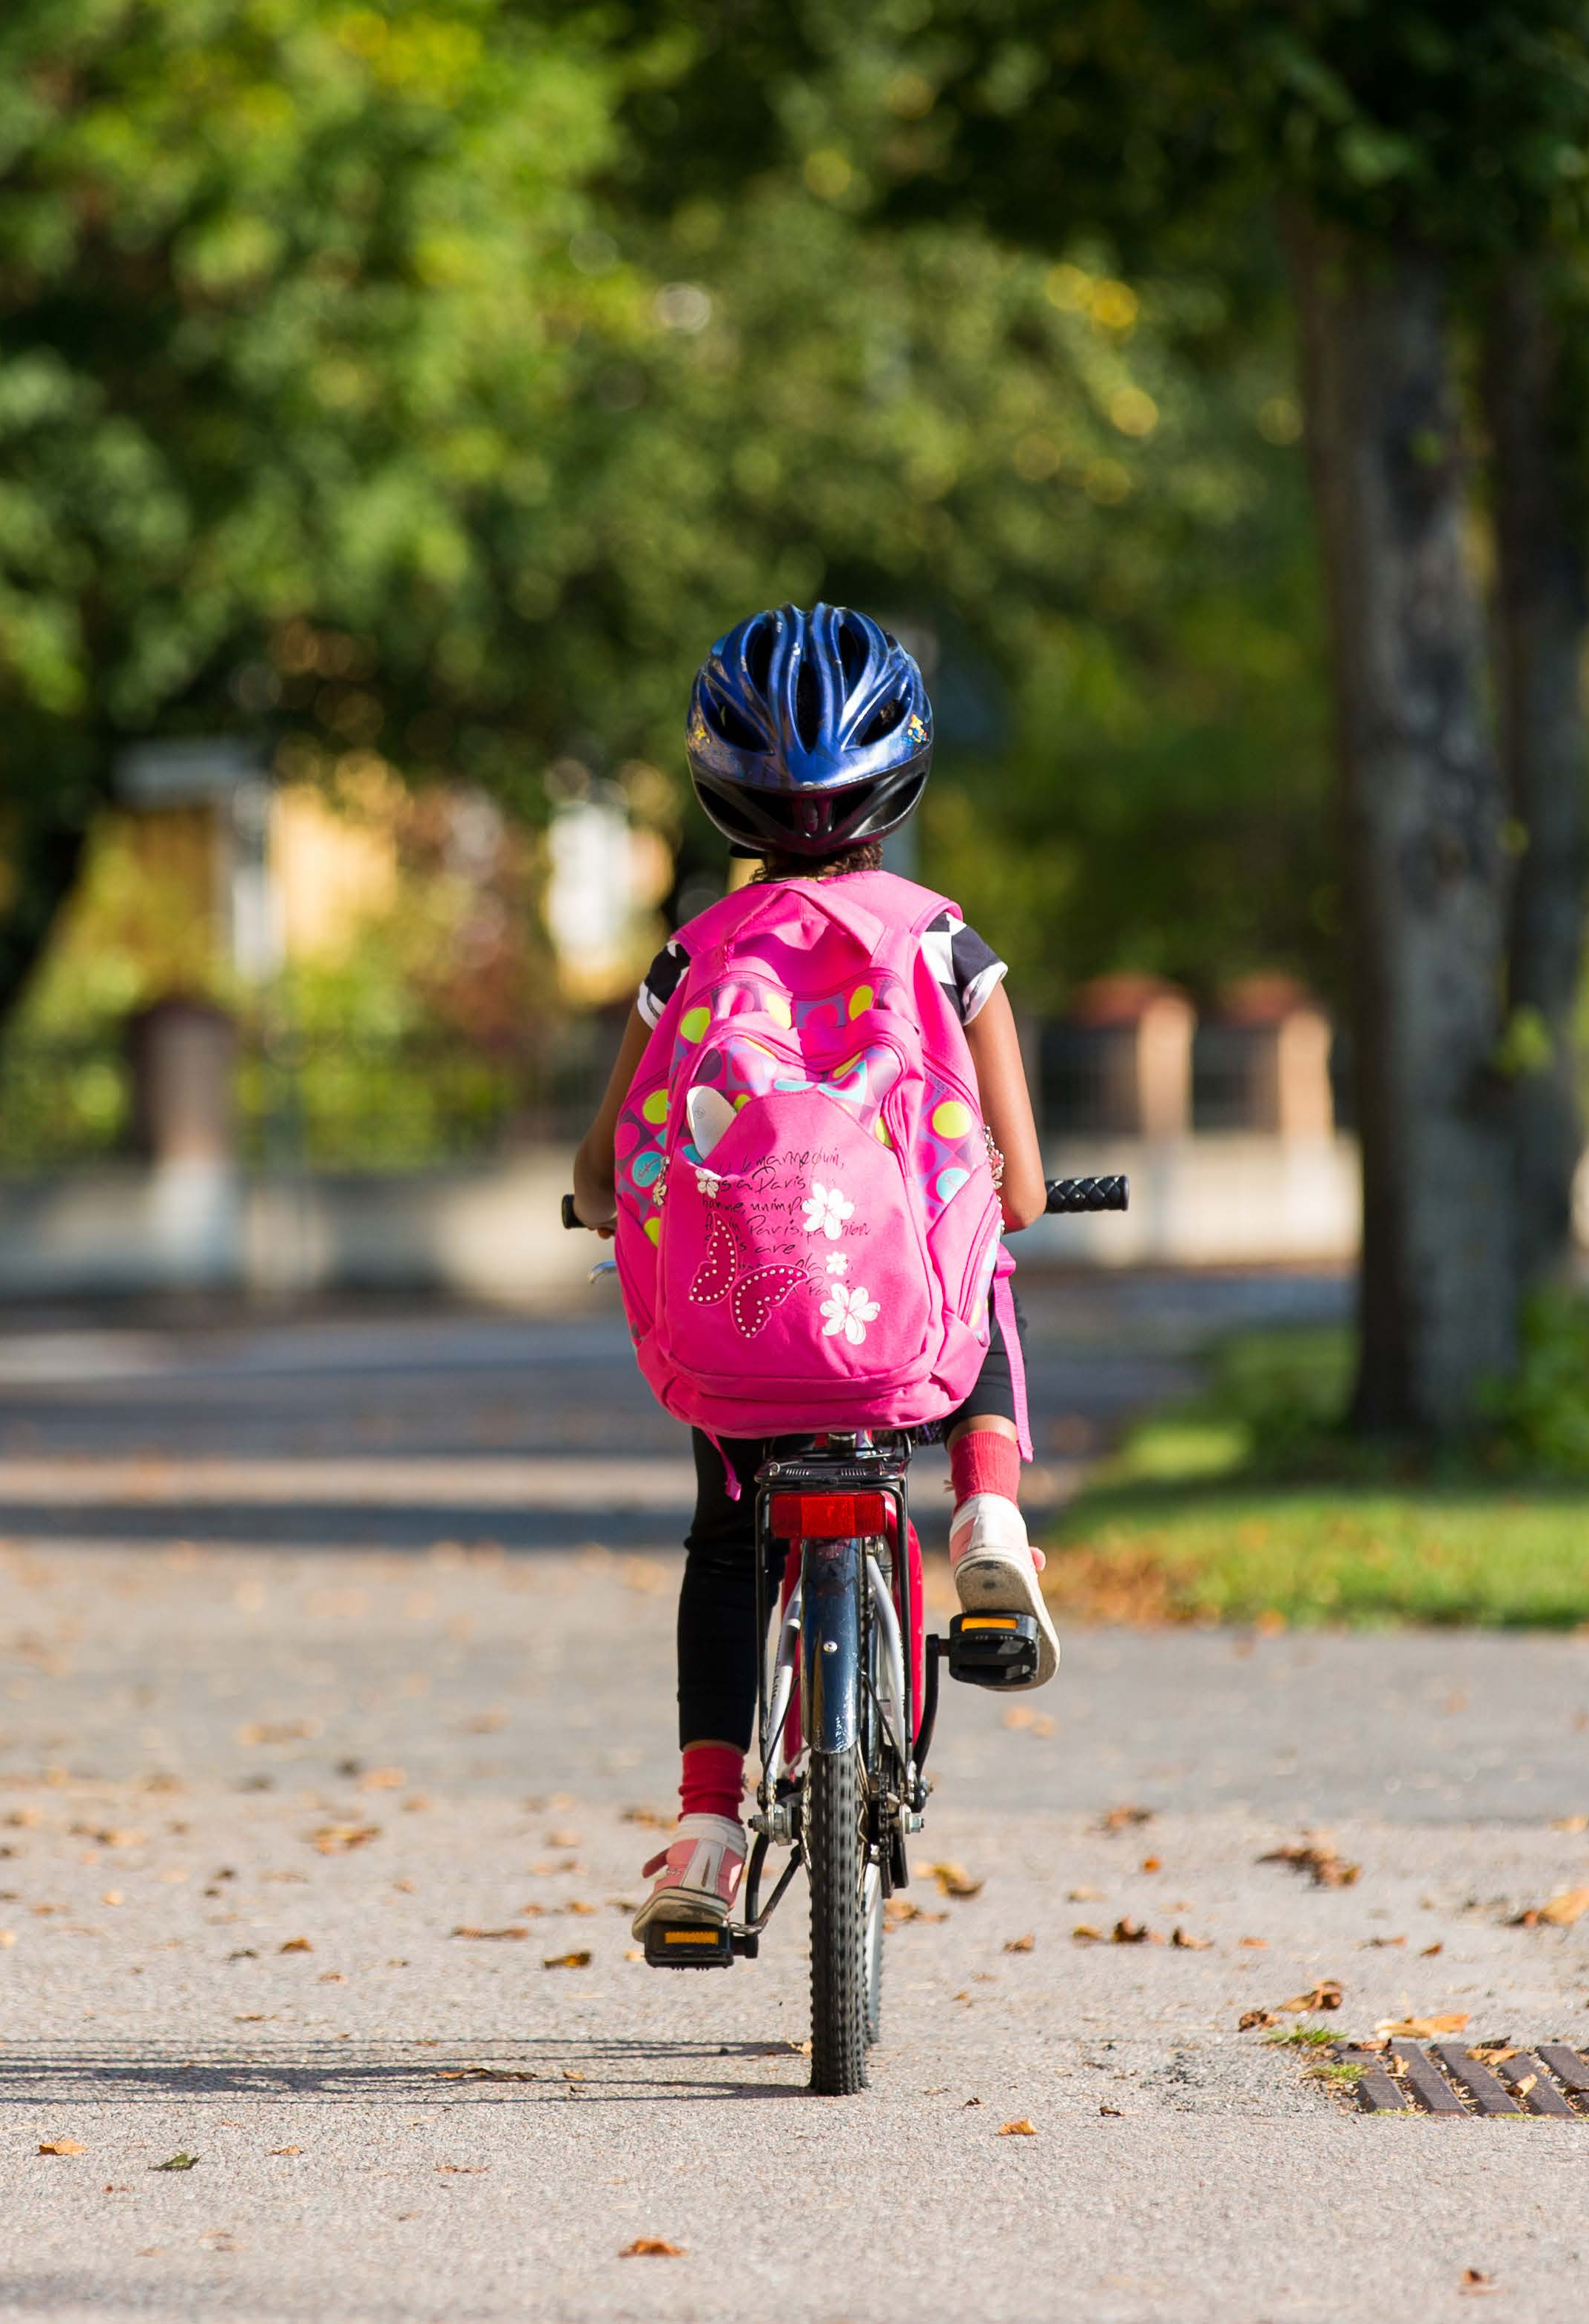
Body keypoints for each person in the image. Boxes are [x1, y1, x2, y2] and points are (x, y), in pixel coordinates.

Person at [568, 602, 1050, 1946]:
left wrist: (599, 1201)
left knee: (728, 1545)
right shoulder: (946, 945)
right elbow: (1011, 1175)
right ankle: (990, 1520)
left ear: (725, 793)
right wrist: (1006, 1187)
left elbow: (611, 1158)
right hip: (894, 1328)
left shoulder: (691, 960)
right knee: (980, 1275)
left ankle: (708, 1833)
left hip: (749, 1333)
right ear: (898, 779)